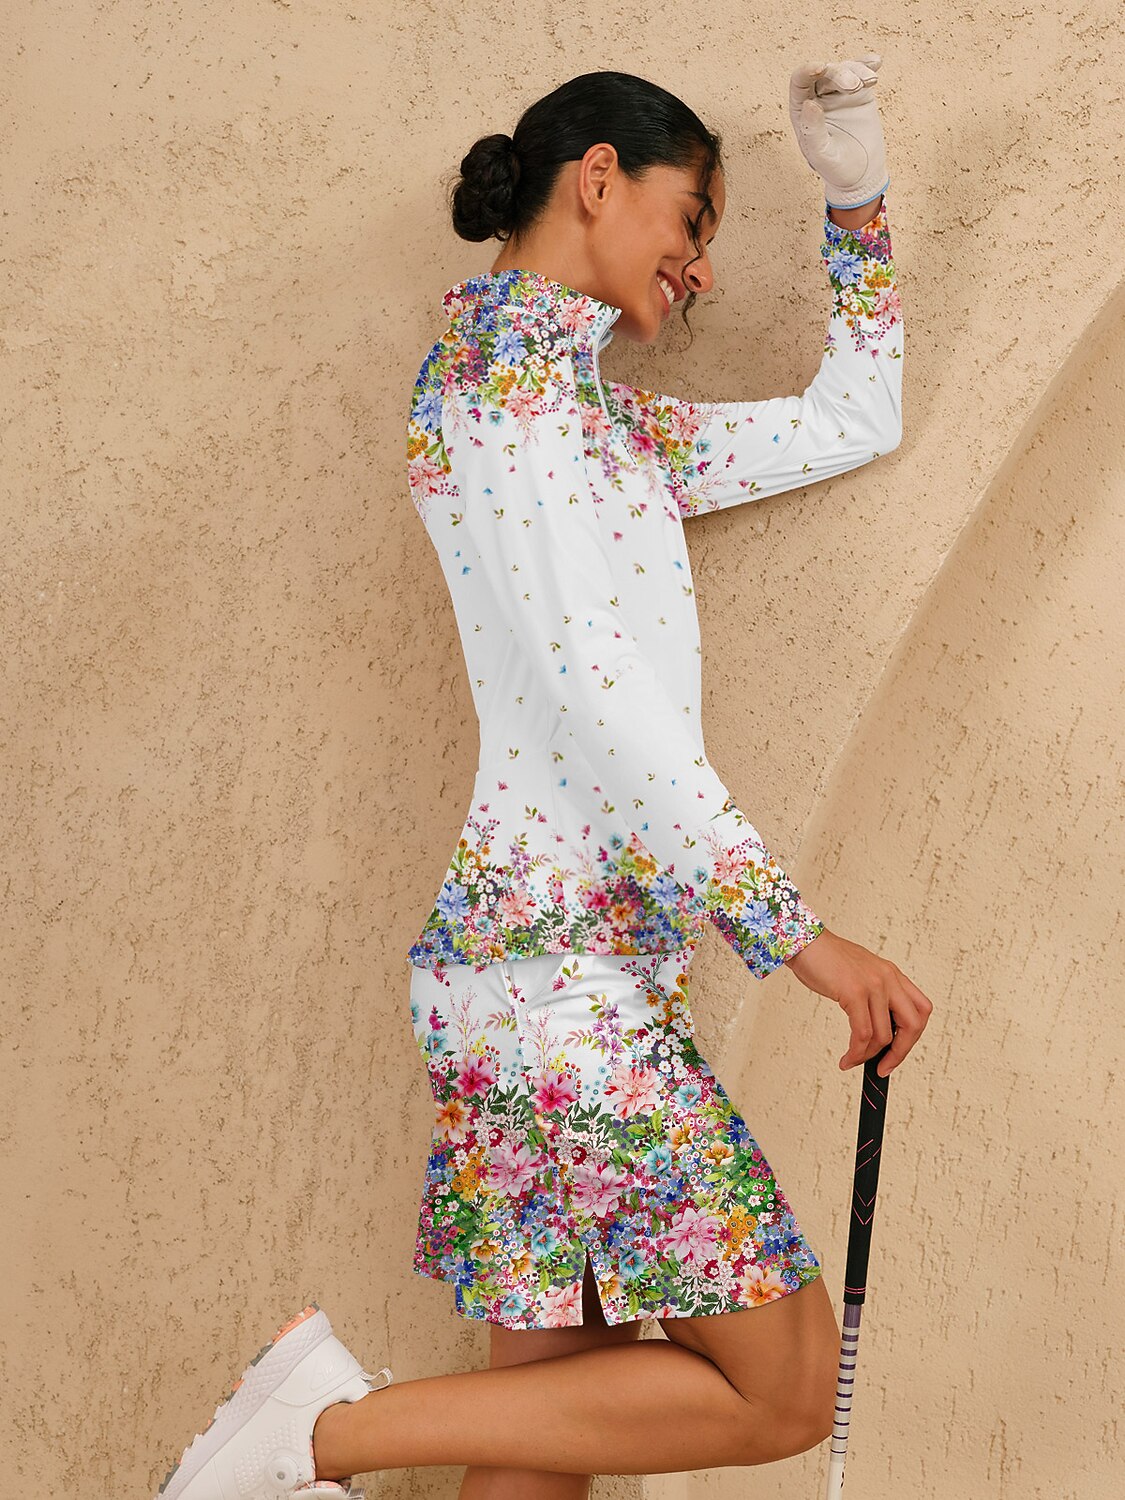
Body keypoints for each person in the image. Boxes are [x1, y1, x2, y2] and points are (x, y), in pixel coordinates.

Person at [153, 60, 932, 1500]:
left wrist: (857, 199)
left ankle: (311, 1436)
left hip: (549, 978)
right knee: (780, 1386)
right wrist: (803, 944)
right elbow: (598, 705)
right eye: (689, 220)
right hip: (550, 985)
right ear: (597, 177)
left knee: (545, 1455)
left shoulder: (602, 427)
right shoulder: (500, 391)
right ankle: (318, 1433)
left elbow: (854, 420)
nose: (698, 267)